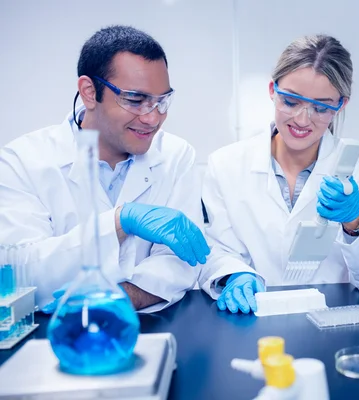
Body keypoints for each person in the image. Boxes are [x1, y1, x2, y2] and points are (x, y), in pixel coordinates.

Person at [0, 25, 210, 313]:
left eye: (162, 101)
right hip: (57, 335)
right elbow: (19, 272)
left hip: (151, 322)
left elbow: (183, 260)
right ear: (89, 92)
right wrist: (118, 222)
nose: (152, 119)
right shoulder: (21, 161)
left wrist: (119, 298)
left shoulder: (176, 154)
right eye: (135, 100)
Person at [200, 34, 359, 314]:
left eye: (321, 107)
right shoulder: (226, 164)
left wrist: (356, 219)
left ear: (341, 105)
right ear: (272, 90)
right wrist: (234, 274)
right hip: (254, 322)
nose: (302, 119)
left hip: (333, 323)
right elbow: (216, 251)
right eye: (291, 101)